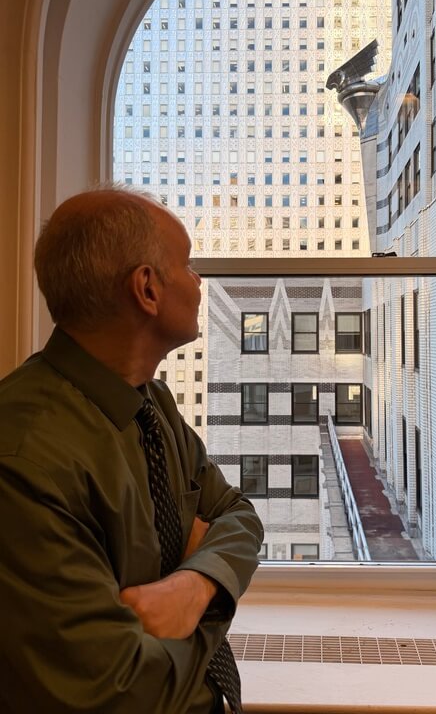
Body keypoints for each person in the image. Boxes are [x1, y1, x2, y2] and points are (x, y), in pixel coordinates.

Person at [0, 187, 263, 713]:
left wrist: (194, 585)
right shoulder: (24, 459)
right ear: (147, 288)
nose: (198, 281)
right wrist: (214, 606)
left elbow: (237, 514)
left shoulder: (152, 401)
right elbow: (120, 693)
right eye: (187, 265)